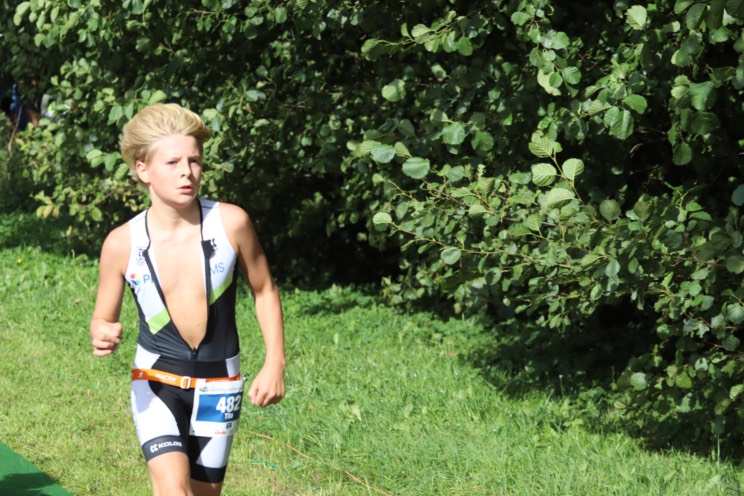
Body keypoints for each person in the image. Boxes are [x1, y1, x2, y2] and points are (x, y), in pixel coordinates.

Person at [89, 103, 286, 496]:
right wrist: (102, 333)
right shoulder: (121, 243)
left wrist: (275, 363)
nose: (187, 172)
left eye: (194, 161)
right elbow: (101, 318)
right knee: (173, 490)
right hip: (156, 380)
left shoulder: (231, 223)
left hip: (221, 384)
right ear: (142, 169)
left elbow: (265, 289)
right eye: (173, 162)